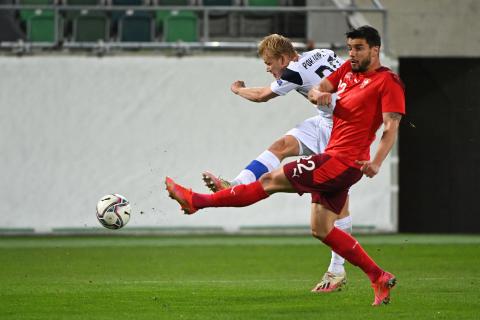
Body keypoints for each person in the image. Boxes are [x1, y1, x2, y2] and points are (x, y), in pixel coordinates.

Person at [165, 25, 405, 306]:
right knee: (321, 227)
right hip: (332, 141)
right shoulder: (338, 64)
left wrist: (376, 162)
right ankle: (377, 276)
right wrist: (322, 98)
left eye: (358, 48)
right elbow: (320, 91)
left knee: (269, 181)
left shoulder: (386, 81)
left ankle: (196, 201)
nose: (351, 54)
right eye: (350, 48)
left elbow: (390, 126)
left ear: (375, 49)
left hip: (339, 153)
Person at [202, 34, 351, 293]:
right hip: (326, 121)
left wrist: (237, 89)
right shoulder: (324, 53)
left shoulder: (294, 70)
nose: (268, 68)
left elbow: (261, 95)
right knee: (280, 147)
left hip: (342, 130)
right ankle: (235, 184)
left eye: (269, 63)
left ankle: (337, 269)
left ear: (283, 58)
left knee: (336, 200)